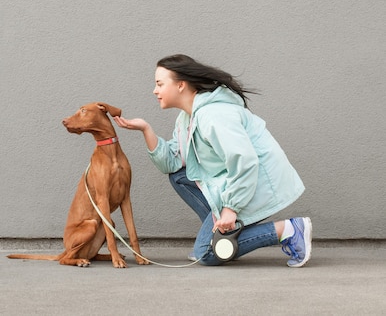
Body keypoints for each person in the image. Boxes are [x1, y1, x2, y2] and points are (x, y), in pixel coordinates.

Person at [113, 54, 312, 267]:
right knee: (180, 176)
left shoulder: (213, 115)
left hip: (258, 180)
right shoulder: (187, 118)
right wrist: (146, 129)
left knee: (206, 254)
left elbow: (245, 161)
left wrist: (231, 208)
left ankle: (290, 229)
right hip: (239, 180)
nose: (155, 90)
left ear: (180, 85)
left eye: (160, 84)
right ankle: (222, 234)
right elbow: (171, 163)